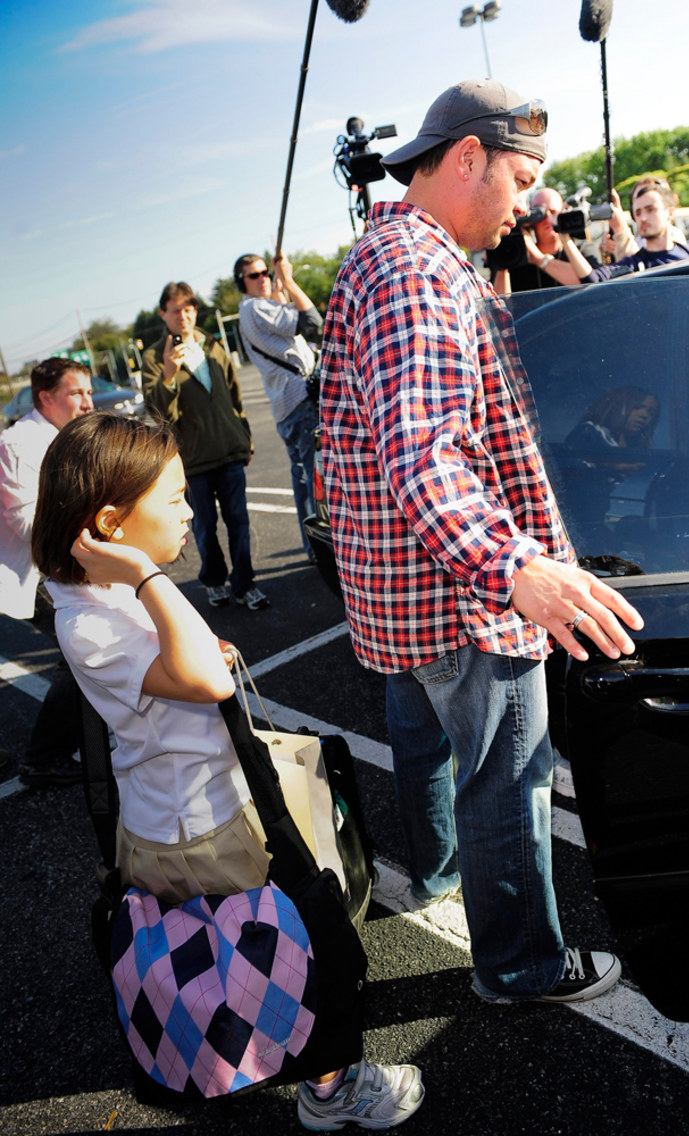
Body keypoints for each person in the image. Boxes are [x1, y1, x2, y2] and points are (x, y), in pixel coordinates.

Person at [320, 77, 645, 1005]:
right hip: (459, 594)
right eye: (524, 176)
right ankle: (520, 965)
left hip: (404, 595)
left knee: (429, 746)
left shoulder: (401, 253)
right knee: (510, 776)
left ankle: (436, 878)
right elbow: (424, 454)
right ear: (467, 157)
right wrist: (519, 571)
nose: (530, 200)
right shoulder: (418, 271)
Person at [30, 412, 424, 1131]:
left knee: (242, 951)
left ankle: (291, 1062)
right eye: (174, 499)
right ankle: (330, 1088)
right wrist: (148, 574)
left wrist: (154, 594)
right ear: (111, 523)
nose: (189, 511)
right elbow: (204, 681)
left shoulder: (101, 595)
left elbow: (182, 662)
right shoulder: (89, 619)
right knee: (285, 943)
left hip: (187, 812)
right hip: (200, 826)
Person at [142, 282, 267, 610]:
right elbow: (157, 412)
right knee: (204, 526)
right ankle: (214, 581)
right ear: (163, 314)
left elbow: (234, 395)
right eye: (175, 310)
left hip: (230, 450)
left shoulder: (211, 344)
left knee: (239, 521)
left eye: (188, 308)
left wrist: (246, 438)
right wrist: (168, 373)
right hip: (192, 461)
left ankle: (245, 583)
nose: (183, 316)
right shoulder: (155, 356)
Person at [0, 357, 94, 787]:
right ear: (46, 397)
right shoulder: (20, 443)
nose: (87, 402)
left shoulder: (65, 435)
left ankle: (73, 740)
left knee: (86, 650)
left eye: (89, 392)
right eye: (77, 393)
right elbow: (24, 522)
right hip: (34, 570)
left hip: (60, 564)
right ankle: (43, 758)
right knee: (82, 651)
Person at [235, 252, 322, 562]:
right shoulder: (256, 308)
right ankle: (323, 548)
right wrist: (288, 279)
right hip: (298, 402)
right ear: (241, 282)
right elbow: (312, 321)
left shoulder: (252, 309)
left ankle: (311, 547)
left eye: (265, 273)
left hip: (285, 405)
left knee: (303, 480)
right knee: (317, 480)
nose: (263, 278)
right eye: (254, 275)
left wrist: (278, 287)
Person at [487, 186, 601, 293]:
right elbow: (499, 306)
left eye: (553, 212)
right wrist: (504, 259)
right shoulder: (516, 255)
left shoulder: (583, 249)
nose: (548, 219)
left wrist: (539, 259)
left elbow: (590, 284)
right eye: (540, 214)